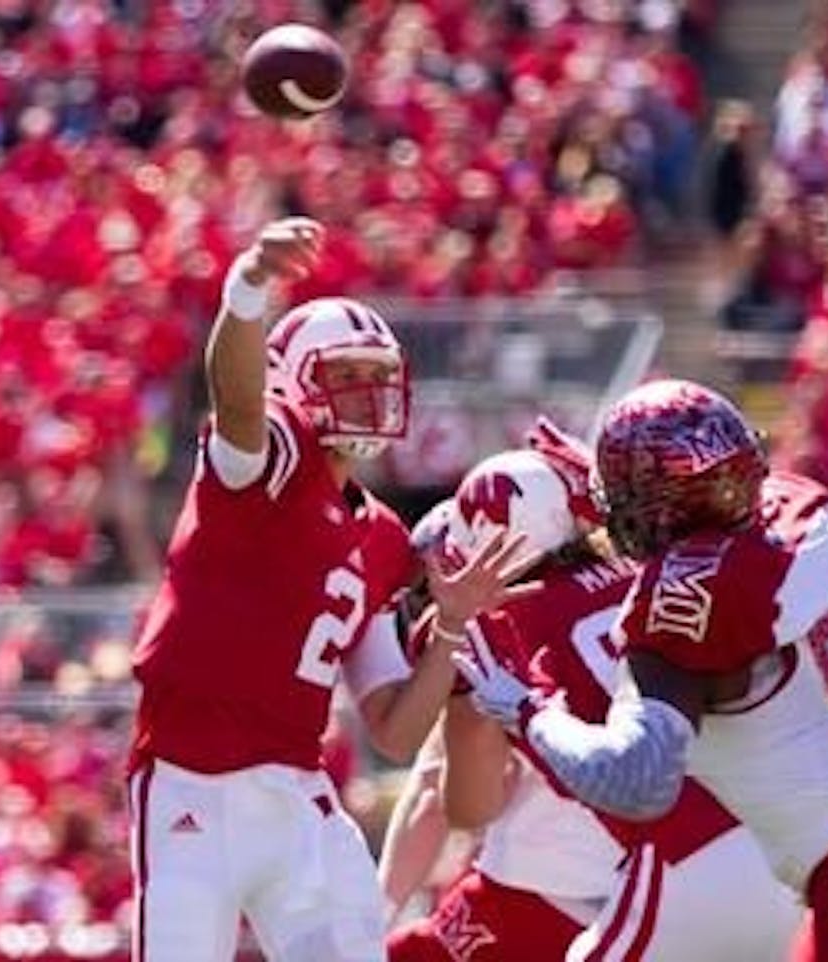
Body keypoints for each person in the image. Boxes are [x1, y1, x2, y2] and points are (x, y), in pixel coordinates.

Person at [450, 379, 828, 961]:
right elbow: (713, 521)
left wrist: (526, 708)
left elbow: (637, 782)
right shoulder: (796, 500)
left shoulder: (684, 606)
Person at [127, 217, 532, 962]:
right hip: (190, 785)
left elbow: (397, 729)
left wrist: (448, 626)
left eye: (378, 378)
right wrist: (247, 290)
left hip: (298, 797)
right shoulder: (267, 465)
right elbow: (240, 402)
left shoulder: (381, 537)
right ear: (295, 380)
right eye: (347, 377)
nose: (370, 394)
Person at [384, 435, 799, 962]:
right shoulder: (654, 576)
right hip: (767, 835)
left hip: (634, 871)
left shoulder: (491, 632)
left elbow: (467, 806)